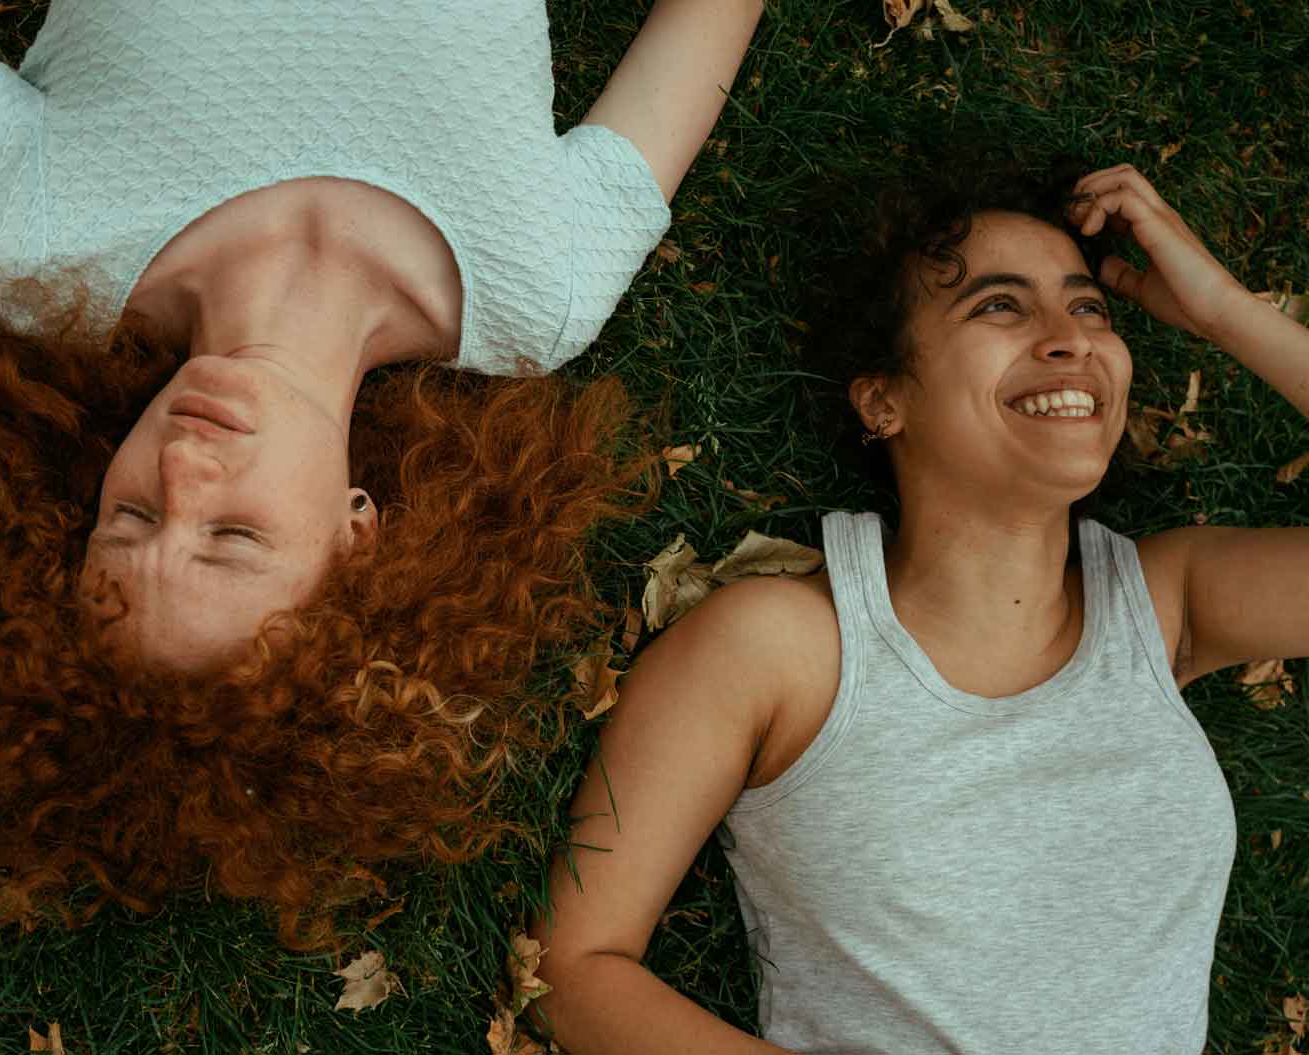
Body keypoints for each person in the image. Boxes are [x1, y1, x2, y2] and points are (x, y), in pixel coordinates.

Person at [0, 1, 762, 946]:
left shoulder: (26, 248)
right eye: (233, 538)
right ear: (357, 533)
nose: (180, 468)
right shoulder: (542, 290)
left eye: (127, 516)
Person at [531, 161, 1309, 1052]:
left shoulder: (1166, 603)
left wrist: (1227, 312)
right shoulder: (782, 650)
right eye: (999, 306)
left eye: (1089, 306)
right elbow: (574, 964)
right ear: (884, 400)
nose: (1071, 339)